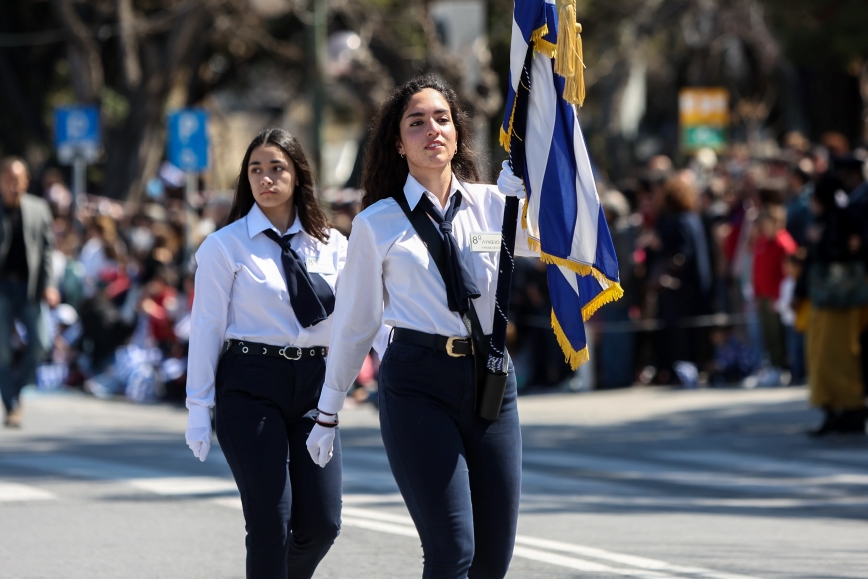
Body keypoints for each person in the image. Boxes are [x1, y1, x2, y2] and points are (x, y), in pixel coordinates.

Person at [305, 74, 532, 579]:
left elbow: (563, 246)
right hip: (417, 381)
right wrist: (327, 409)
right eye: (416, 122)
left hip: (491, 378)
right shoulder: (377, 223)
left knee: (494, 558)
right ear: (398, 142)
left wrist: (530, 197)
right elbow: (356, 323)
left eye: (442, 118)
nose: (432, 129)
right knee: (453, 551)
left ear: (457, 133)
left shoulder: (496, 206)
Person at [185, 128, 346, 578]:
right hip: (249, 383)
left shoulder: (333, 244)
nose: (266, 178)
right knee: (269, 523)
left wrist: (391, 359)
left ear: (299, 175)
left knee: (322, 523)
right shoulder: (224, 246)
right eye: (256, 169)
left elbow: (360, 318)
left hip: (316, 386)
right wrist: (199, 405)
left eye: (277, 168)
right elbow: (206, 329)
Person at [803, 174, 868, 436]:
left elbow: (840, 252)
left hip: (839, 302)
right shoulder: (840, 218)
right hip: (832, 302)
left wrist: (819, 241)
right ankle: (837, 409)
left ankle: (848, 408)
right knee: (828, 357)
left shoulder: (838, 221)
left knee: (835, 358)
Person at [0, 157, 58, 427]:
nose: (15, 184)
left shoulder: (38, 208)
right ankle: (11, 403)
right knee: (2, 350)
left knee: (40, 343)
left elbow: (47, 250)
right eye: (10, 178)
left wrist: (50, 285)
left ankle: (18, 390)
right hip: (2, 288)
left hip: (29, 287)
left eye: (20, 178)